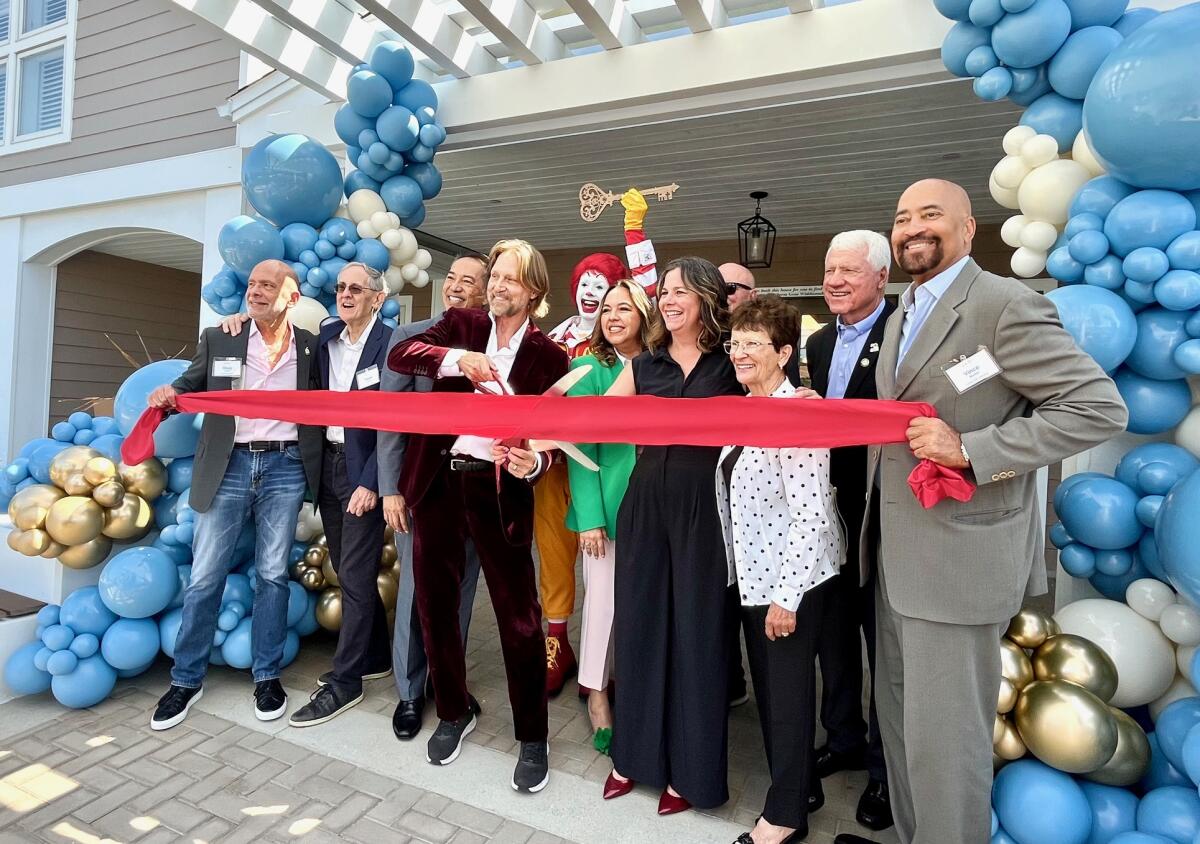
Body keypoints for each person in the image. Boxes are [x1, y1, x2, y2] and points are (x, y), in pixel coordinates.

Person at [834, 180, 1128, 844]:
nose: (913, 227)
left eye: (930, 215)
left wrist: (972, 448)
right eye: (902, 216)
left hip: (959, 563)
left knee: (949, 746)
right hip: (896, 559)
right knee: (906, 730)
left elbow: (1097, 409)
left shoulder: (1003, 305)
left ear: (969, 229)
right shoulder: (903, 310)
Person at [387, 239, 568, 793]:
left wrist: (534, 461)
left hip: (500, 493)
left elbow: (555, 441)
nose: (497, 286)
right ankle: (452, 713)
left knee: (519, 620)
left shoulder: (551, 358)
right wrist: (453, 360)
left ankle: (532, 737)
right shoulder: (461, 325)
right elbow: (399, 354)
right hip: (439, 485)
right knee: (434, 610)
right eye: (494, 276)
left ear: (533, 290)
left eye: (510, 278)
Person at [147, 259, 322, 730]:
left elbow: (332, 403)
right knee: (205, 575)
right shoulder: (221, 336)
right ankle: (186, 680)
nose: (256, 291)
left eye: (269, 285)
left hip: (286, 466)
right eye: (251, 284)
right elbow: (189, 384)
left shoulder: (310, 348)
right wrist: (169, 392)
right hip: (229, 465)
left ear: (293, 297)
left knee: (271, 574)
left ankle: (266, 675)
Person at [603, 256, 743, 814]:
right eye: (663, 291)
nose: (668, 299)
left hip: (707, 511)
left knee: (697, 636)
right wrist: (530, 441)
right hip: (645, 507)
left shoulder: (733, 361)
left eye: (681, 290)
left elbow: (777, 411)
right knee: (638, 628)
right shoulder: (646, 364)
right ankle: (630, 760)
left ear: (708, 297)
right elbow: (596, 422)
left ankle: (691, 775)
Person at [717, 296, 843, 844]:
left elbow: (812, 515)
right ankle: (793, 789)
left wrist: (786, 598)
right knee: (772, 695)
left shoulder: (798, 413)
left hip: (791, 582)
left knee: (788, 700)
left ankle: (785, 817)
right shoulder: (744, 406)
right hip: (752, 577)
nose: (740, 353)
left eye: (753, 344)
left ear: (785, 352)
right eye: (735, 342)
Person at [804, 231, 894, 832]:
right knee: (833, 638)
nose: (835, 280)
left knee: (885, 649)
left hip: (885, 517)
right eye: (830, 270)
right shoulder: (815, 341)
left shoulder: (902, 338)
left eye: (849, 272)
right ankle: (843, 741)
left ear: (881, 279)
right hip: (825, 512)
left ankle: (886, 776)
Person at [378, 254, 489, 741]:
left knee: (461, 595)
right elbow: (390, 420)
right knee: (415, 596)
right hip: (421, 490)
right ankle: (408, 692)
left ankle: (450, 687)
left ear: (486, 291)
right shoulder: (411, 338)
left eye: (471, 281)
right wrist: (390, 489)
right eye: (453, 280)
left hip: (478, 490)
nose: (457, 288)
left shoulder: (497, 343)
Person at [289, 263, 394, 726]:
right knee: (348, 566)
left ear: (378, 296)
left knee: (353, 573)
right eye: (341, 287)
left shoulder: (391, 344)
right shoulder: (326, 336)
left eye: (356, 288)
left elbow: (395, 423)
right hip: (327, 466)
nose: (345, 294)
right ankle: (376, 657)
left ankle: (346, 681)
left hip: (362, 471)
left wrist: (372, 481)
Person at [563, 278, 657, 754]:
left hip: (655, 509)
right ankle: (596, 695)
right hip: (607, 509)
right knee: (602, 606)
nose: (613, 316)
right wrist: (591, 517)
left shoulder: (660, 367)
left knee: (644, 607)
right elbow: (578, 451)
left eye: (624, 308)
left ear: (644, 315)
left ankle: (634, 688)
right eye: (606, 310)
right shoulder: (587, 369)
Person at [539, 254, 627, 697]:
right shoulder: (551, 337)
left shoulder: (620, 343)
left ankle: (600, 659)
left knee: (602, 568)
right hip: (553, 468)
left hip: (598, 467)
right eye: (585, 282)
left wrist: (635, 233)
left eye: (602, 284)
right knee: (555, 557)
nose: (591, 291)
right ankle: (557, 641)